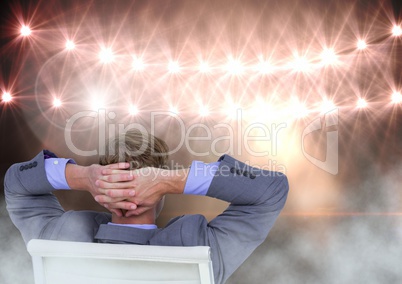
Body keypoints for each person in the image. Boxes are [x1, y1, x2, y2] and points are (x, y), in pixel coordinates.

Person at [4, 129, 289, 284]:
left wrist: (83, 176)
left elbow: (16, 184)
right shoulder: (196, 243)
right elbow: (271, 190)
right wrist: (173, 180)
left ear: (103, 187)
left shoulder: (61, 235)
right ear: (160, 193)